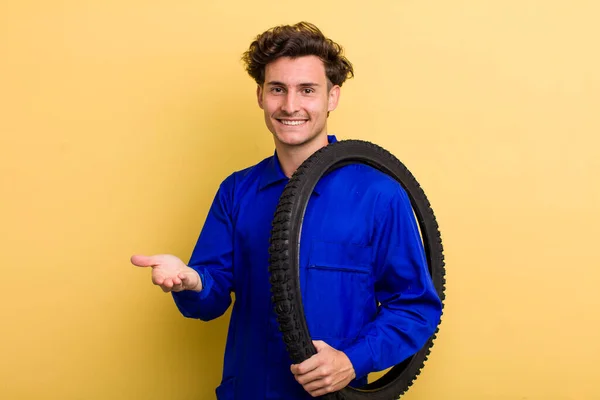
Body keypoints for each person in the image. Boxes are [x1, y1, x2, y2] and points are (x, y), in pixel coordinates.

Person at [131, 22, 442, 399]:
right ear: (261, 95)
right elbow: (210, 299)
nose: (290, 105)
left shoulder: (378, 194)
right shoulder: (237, 191)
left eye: (307, 90)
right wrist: (191, 282)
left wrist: (353, 360)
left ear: (332, 97)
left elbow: (414, 309)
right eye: (278, 89)